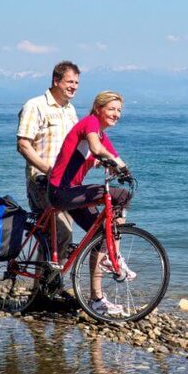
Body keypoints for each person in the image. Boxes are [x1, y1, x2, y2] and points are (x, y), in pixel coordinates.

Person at [48, 90, 133, 316]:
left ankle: (97, 299)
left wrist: (126, 171)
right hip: (61, 192)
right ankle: (115, 255)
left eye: (119, 111)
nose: (117, 114)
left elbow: (112, 155)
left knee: (100, 236)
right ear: (98, 109)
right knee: (121, 196)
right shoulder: (90, 124)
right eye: (112, 109)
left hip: (72, 194)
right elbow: (97, 150)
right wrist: (112, 164)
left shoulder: (102, 135)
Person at [16, 61, 80, 251]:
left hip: (65, 183)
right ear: (56, 80)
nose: (74, 87)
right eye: (70, 82)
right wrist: (49, 170)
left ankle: (45, 281)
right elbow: (23, 145)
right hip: (42, 182)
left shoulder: (69, 110)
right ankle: (50, 280)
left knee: (54, 239)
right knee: (62, 233)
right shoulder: (35, 106)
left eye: (77, 83)